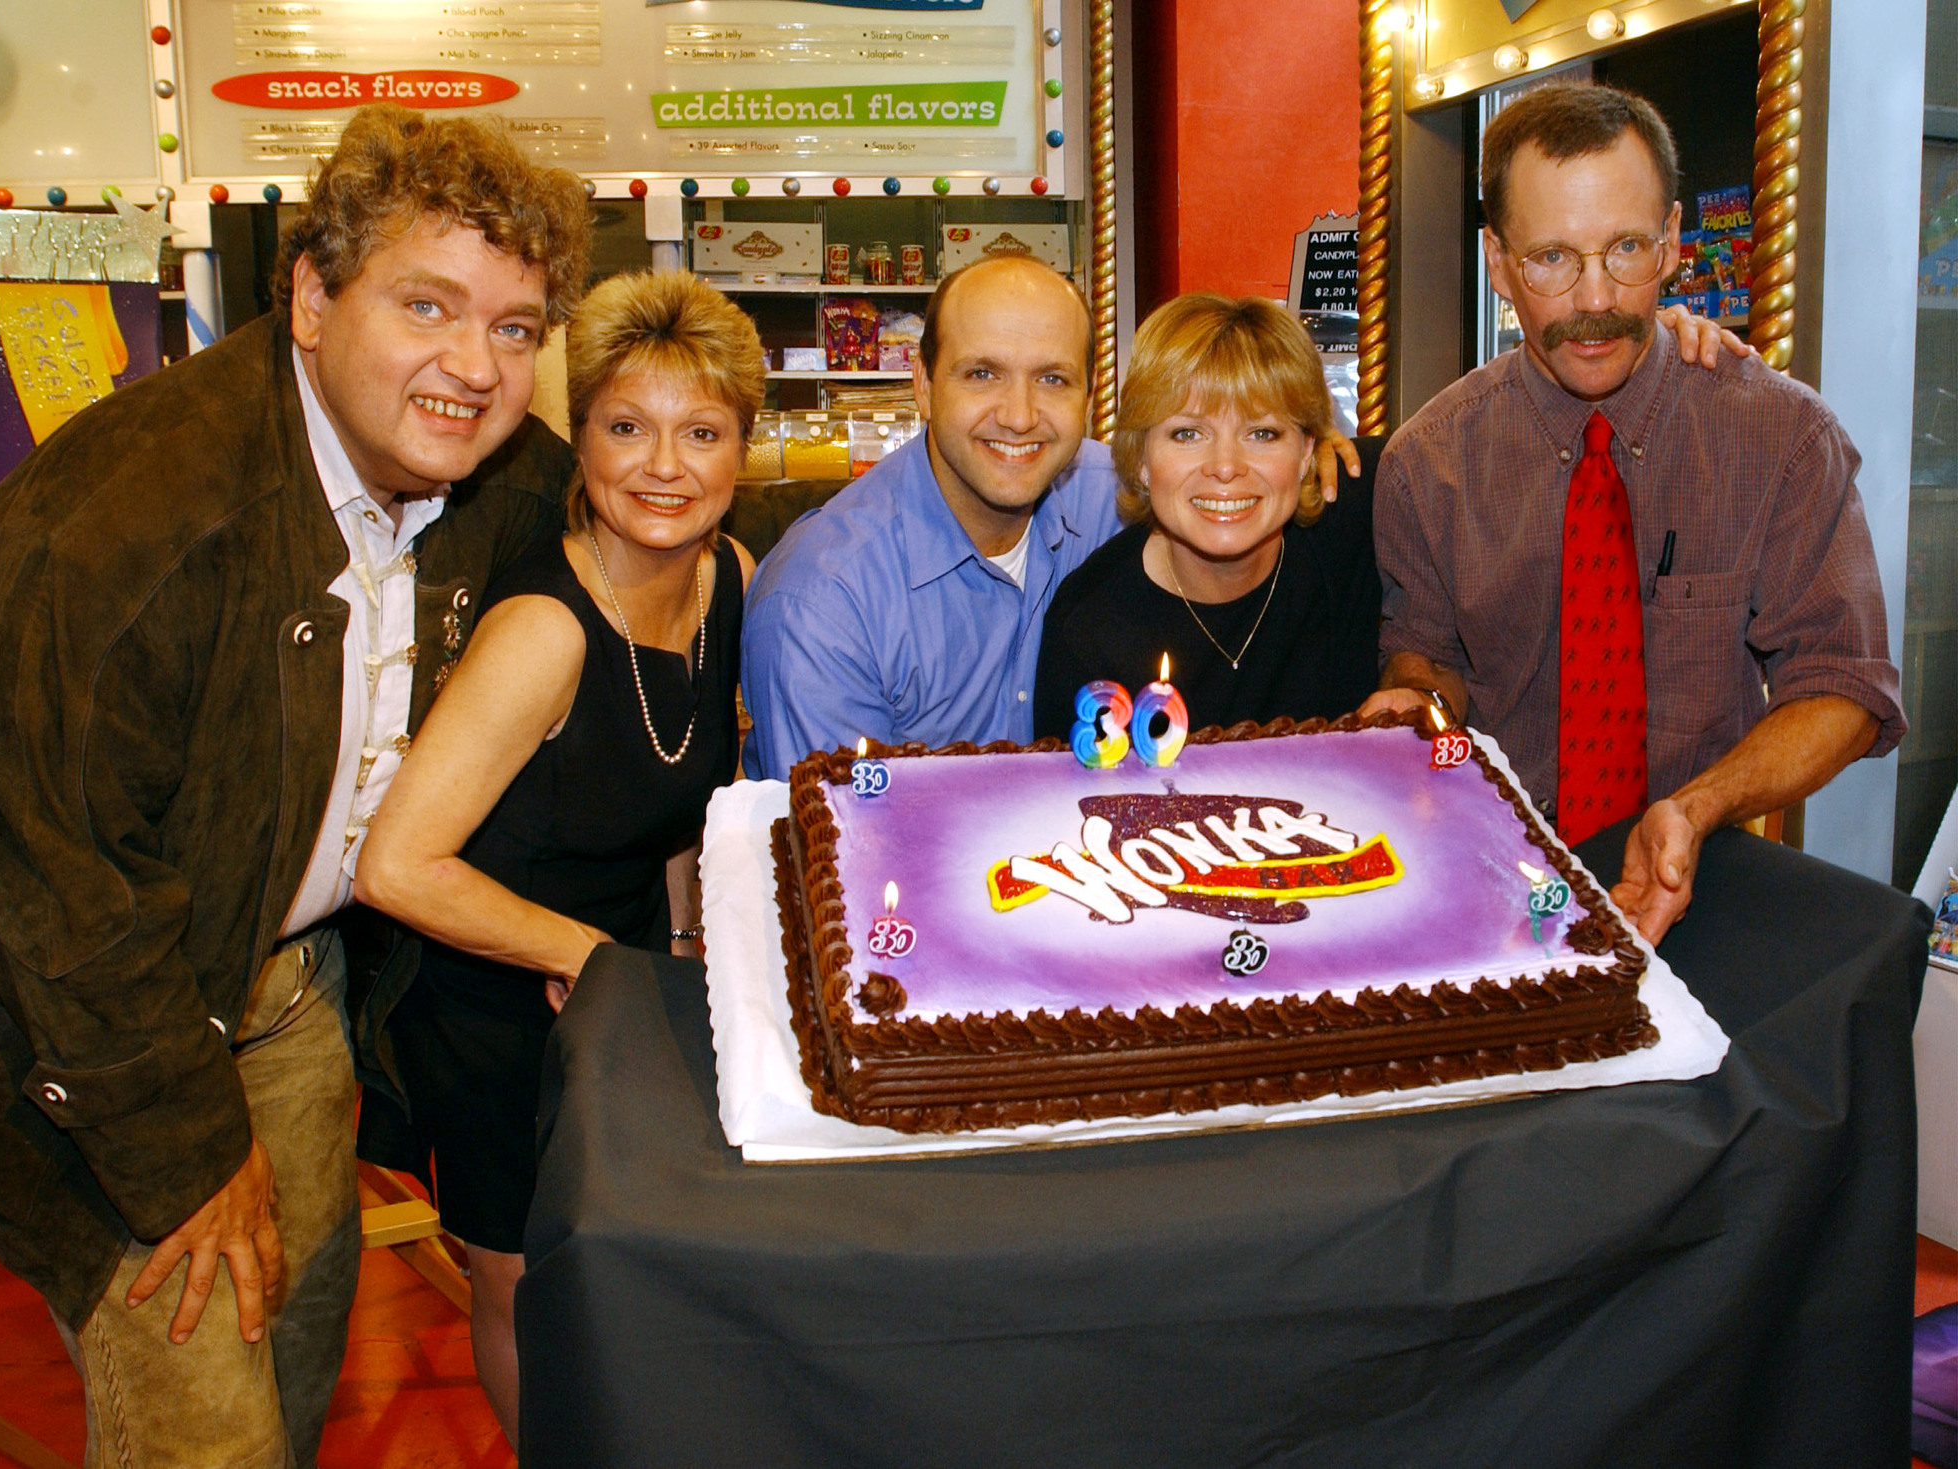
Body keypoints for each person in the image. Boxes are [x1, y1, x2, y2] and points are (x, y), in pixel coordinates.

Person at [0, 104, 589, 1467]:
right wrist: (185, 1156)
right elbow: (58, 896)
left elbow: (629, 532)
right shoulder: (123, 523)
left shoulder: (495, 476)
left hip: (281, 989)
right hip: (83, 1030)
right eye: (427, 305)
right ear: (311, 296)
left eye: (516, 328)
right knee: (204, 1429)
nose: (475, 366)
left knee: (293, 1356)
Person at [351, 270, 759, 1447]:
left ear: (744, 446)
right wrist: (586, 953)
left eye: (700, 432)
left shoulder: (723, 579)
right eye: (625, 427)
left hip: (616, 970)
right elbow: (398, 864)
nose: (662, 466)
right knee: (520, 1275)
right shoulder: (541, 628)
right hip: (485, 994)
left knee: (626, 1265)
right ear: (576, 441)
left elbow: (680, 809)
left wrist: (672, 952)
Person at [1363, 81, 1904, 943]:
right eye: (1551, 259)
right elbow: (1430, 660)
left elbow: (1845, 686)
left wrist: (1698, 806)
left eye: (1625, 249)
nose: (1593, 300)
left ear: (1675, 242)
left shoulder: (1780, 435)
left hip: (1704, 892)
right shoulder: (1428, 464)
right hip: (1489, 894)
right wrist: (1415, 700)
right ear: (1498, 261)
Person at [740, 255, 1371, 781]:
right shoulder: (822, 604)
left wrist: (1306, 460)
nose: (1019, 415)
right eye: (982, 373)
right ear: (924, 386)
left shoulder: (1122, 494)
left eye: (1052, 378)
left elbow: (1221, 477)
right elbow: (839, 849)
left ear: (1088, 398)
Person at [1034, 292, 1380, 737]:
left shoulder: (1356, 529)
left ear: (1307, 450)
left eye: (1262, 433)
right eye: (1188, 433)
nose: (1225, 466)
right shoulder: (1087, 632)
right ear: (1141, 457)